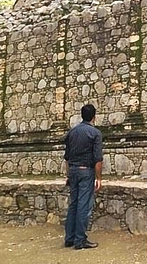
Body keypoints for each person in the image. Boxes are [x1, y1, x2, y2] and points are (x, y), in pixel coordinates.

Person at [63, 104, 103, 250]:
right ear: (94, 117)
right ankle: (80, 240)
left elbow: (67, 157)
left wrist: (68, 174)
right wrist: (98, 178)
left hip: (73, 170)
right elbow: (98, 159)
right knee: (83, 205)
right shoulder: (95, 133)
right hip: (86, 171)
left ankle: (70, 238)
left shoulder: (71, 133)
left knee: (73, 204)